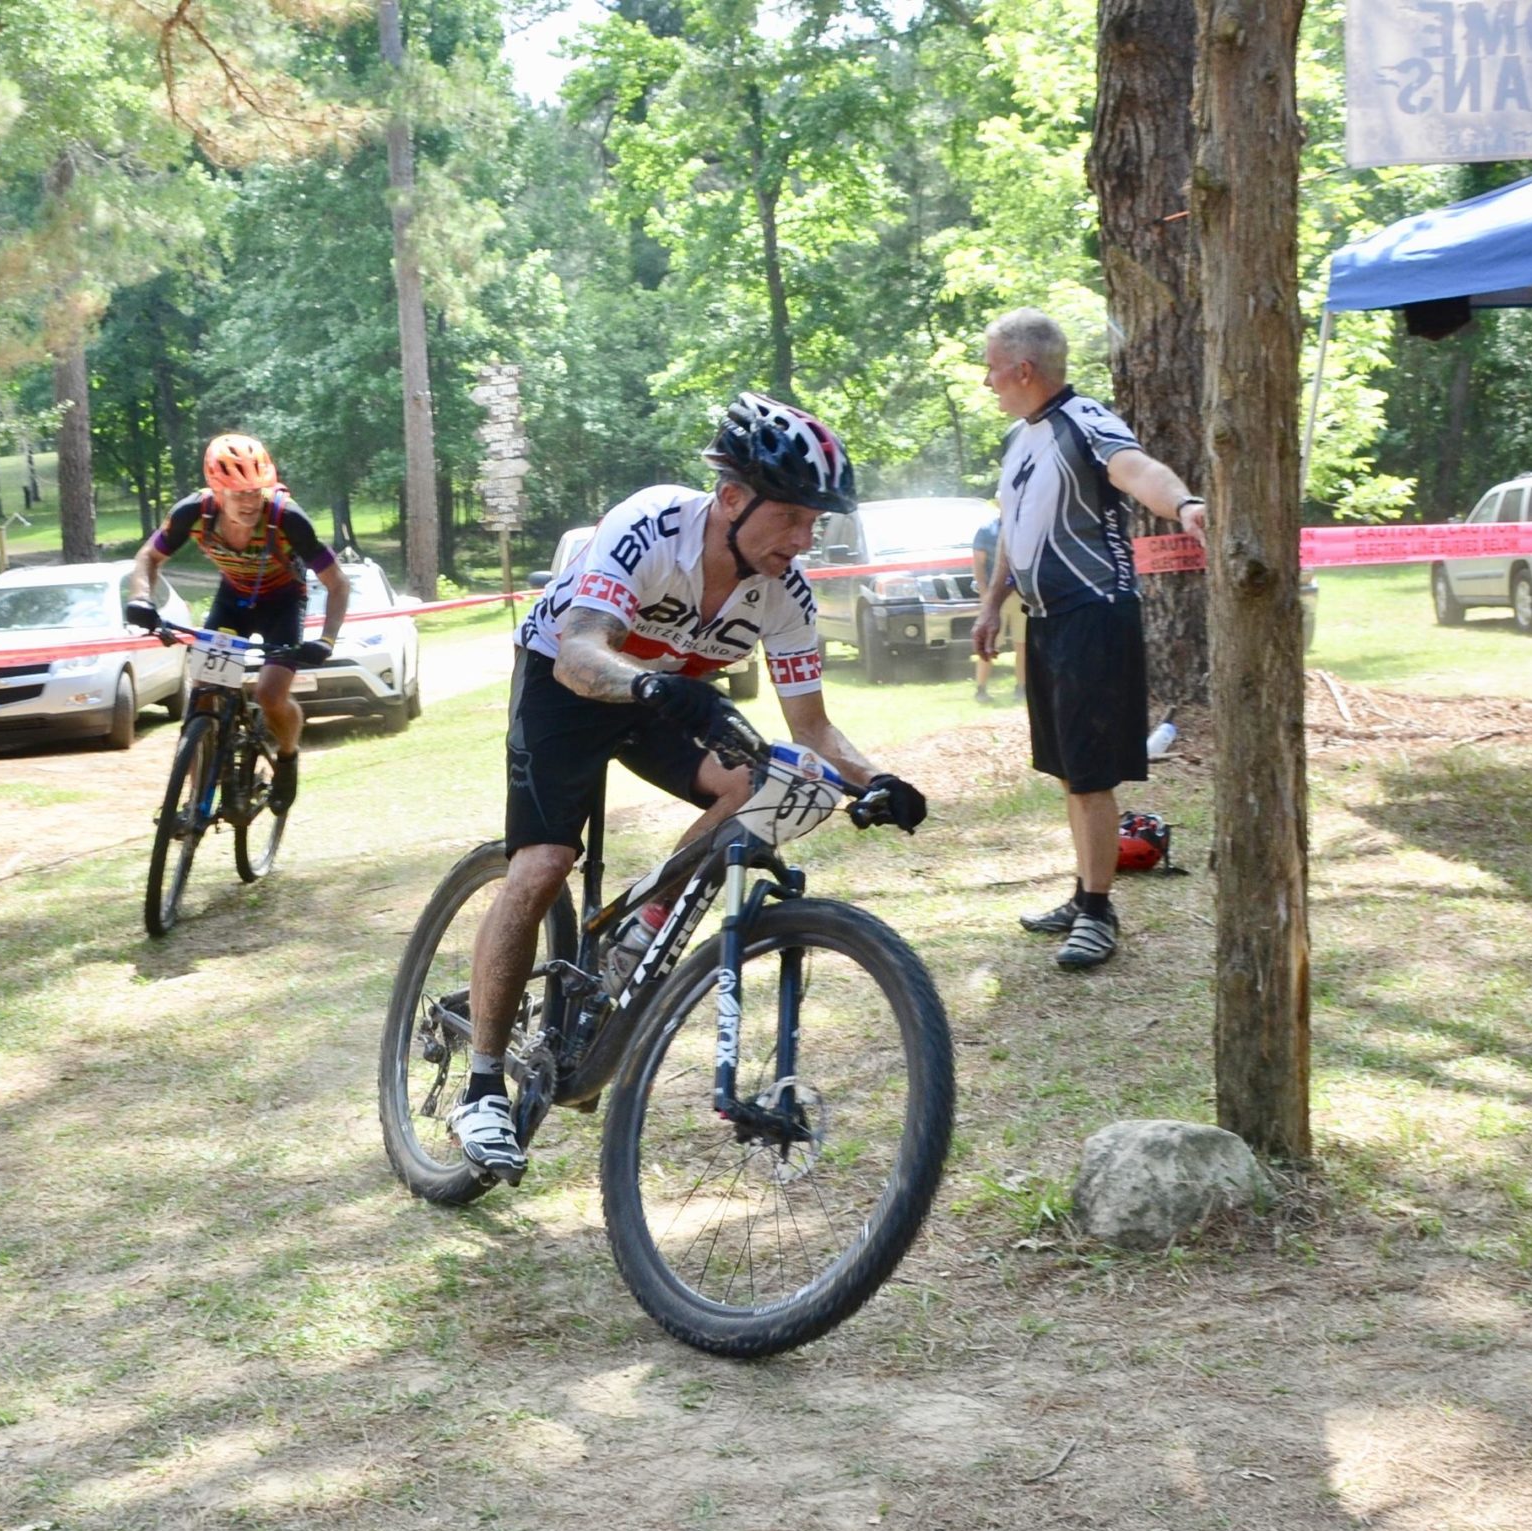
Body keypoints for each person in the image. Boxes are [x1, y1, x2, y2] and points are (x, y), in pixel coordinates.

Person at [449, 393, 931, 1181]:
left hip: (664, 694)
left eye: (818, 523)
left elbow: (813, 731)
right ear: (734, 499)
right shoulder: (651, 527)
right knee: (541, 864)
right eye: (795, 518)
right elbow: (578, 651)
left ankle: (640, 931)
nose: (806, 540)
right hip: (568, 681)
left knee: (771, 782)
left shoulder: (786, 594)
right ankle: (481, 1088)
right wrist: (648, 689)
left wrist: (878, 781)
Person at [970, 308, 1206, 971]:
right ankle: (1083, 894)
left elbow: (1137, 470)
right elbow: (1014, 532)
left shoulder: (1086, 421)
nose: (988, 382)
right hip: (1046, 620)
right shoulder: (1022, 440)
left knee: (1092, 774)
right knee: (1072, 771)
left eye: (992, 369)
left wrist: (1186, 505)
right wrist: (993, 605)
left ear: (1023, 369)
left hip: (1094, 614)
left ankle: (1099, 913)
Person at [123, 434, 349, 813]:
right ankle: (197, 801)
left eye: (255, 491)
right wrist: (141, 598)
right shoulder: (193, 513)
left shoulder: (287, 518)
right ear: (216, 489)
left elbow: (338, 583)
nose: (248, 502)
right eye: (236, 492)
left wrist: (326, 639)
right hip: (233, 603)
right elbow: (148, 557)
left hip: (282, 602)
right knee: (205, 695)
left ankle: (289, 758)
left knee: (269, 695)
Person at [967, 513, 1023, 706]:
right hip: (997, 597)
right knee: (989, 642)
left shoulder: (1023, 524)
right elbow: (978, 565)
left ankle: (1021, 687)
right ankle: (981, 689)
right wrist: (986, 596)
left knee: (1022, 644)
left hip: (1021, 596)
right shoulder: (986, 530)